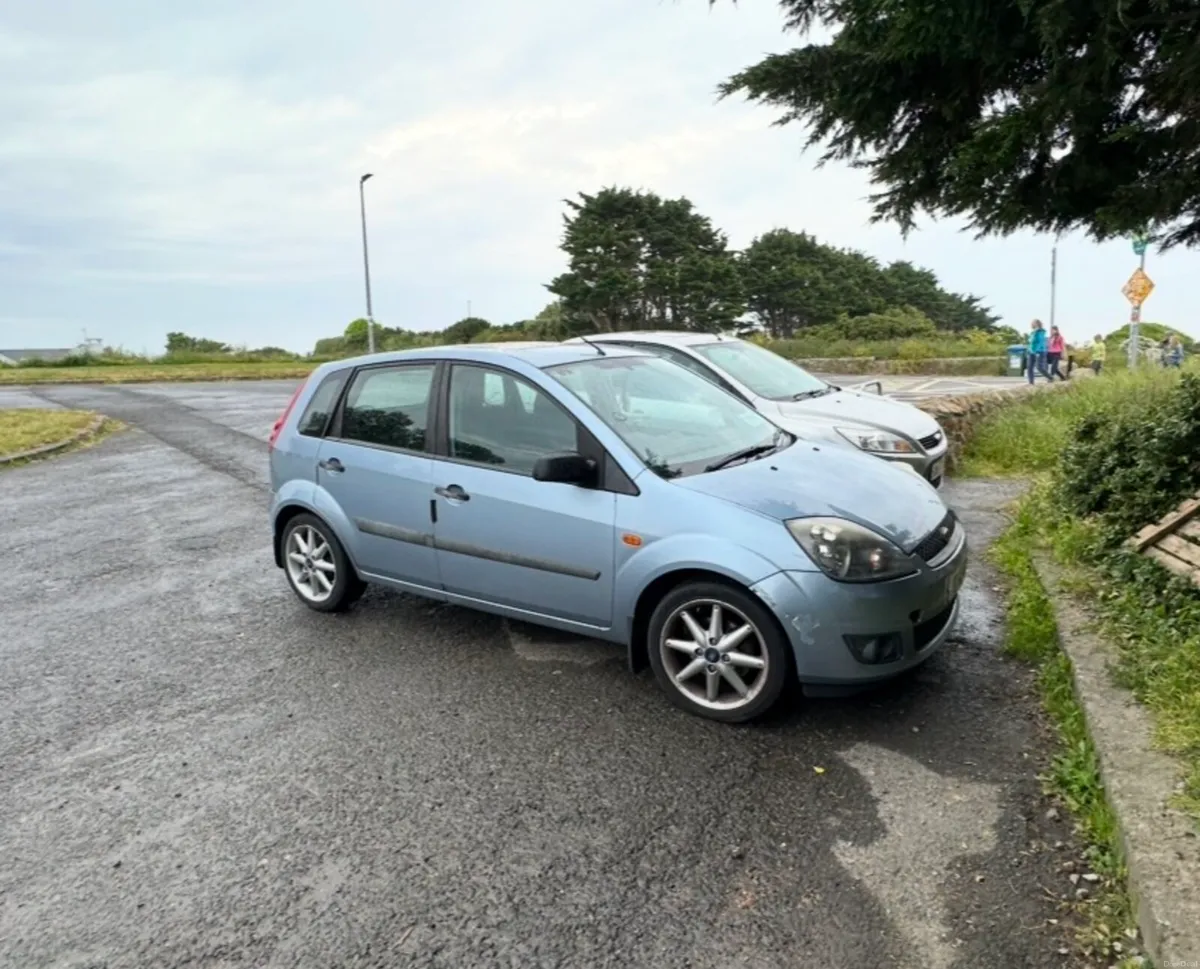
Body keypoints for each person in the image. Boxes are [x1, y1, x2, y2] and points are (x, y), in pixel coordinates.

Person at [1027, 319, 1051, 384]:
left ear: (1037, 324)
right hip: (1031, 352)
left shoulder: (1041, 332)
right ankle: (1031, 383)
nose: (1031, 324)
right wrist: (1029, 349)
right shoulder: (1033, 332)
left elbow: (1040, 343)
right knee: (1029, 367)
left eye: (1033, 323)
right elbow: (1031, 342)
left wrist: (1036, 351)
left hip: (1039, 351)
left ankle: (1050, 378)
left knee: (1039, 367)